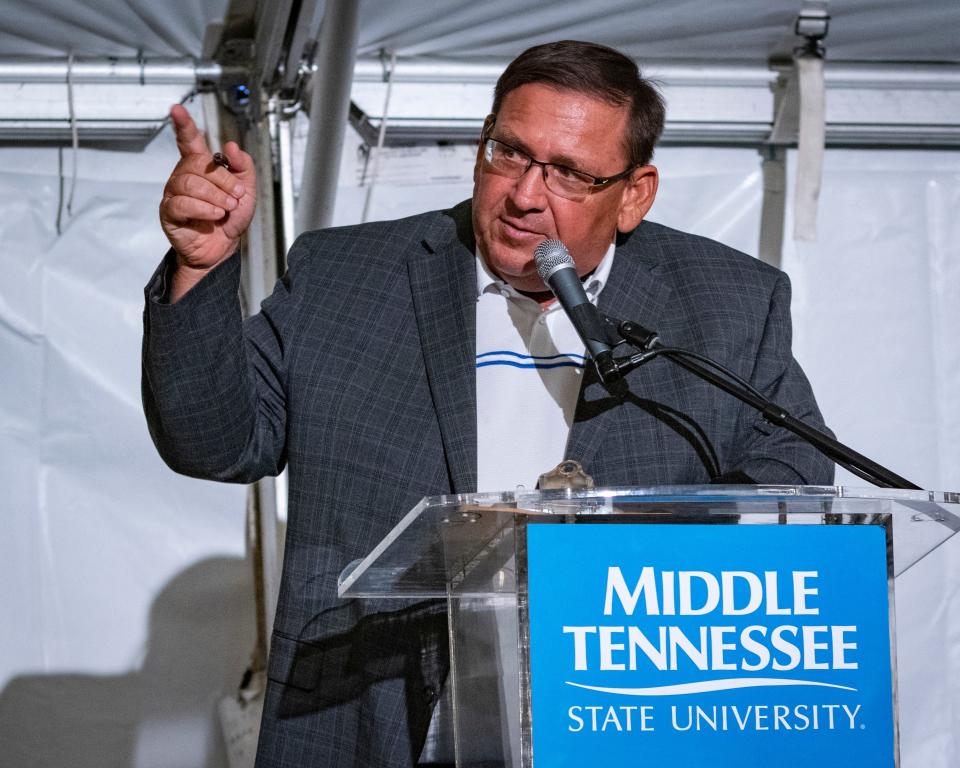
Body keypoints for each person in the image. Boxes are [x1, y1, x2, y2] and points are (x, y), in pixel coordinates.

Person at [144, 40, 832, 767]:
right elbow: (212, 440)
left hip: (628, 718)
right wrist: (200, 267)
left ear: (635, 193)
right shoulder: (344, 276)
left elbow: (792, 485)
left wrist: (631, 570)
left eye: (569, 172)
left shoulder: (726, 303)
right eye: (509, 153)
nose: (527, 195)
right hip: (369, 722)